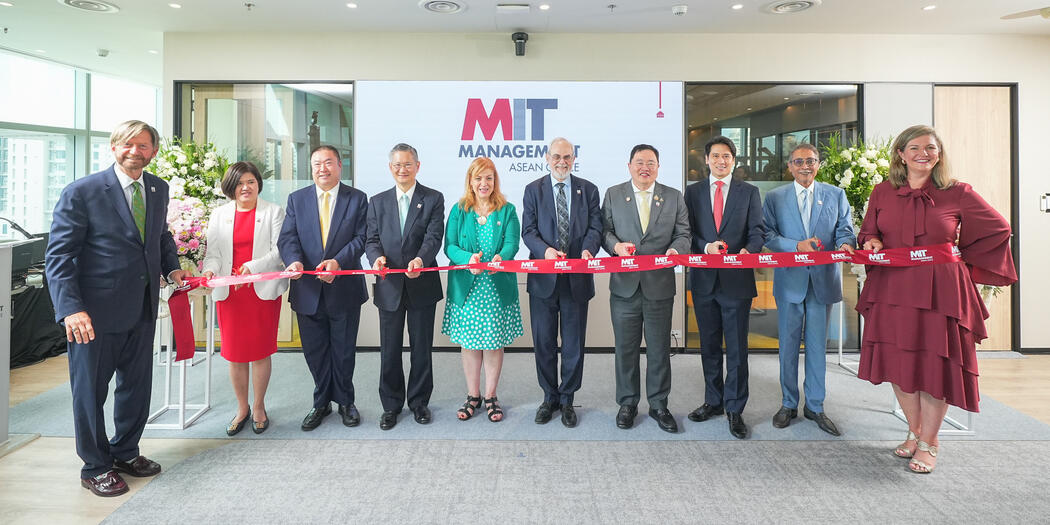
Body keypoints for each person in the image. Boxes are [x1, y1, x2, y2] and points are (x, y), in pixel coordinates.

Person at [857, 125, 1016, 473]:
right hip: (893, 288)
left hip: (940, 292)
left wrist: (962, 257)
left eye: (930, 147)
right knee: (899, 364)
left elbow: (999, 227)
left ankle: (930, 441)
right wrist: (872, 242)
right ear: (901, 154)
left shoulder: (957, 191)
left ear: (939, 154)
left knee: (934, 365)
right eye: (914, 148)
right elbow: (869, 230)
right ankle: (914, 432)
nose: (922, 153)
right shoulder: (882, 191)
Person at [45, 120, 189, 497]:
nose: (135, 151)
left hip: (142, 309)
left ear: (153, 151)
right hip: (92, 315)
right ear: (113, 147)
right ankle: (95, 465)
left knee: (136, 387)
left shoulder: (158, 188)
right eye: (128, 144)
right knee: (90, 392)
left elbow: (159, 235)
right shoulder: (83, 191)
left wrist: (172, 266)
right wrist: (70, 309)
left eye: (143, 146)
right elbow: (59, 256)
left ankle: (125, 451)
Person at [762, 144, 856, 436]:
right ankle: (788, 403)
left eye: (811, 161)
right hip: (790, 281)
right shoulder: (775, 197)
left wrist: (845, 244)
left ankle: (815, 406)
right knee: (787, 347)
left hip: (821, 282)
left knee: (817, 348)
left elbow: (845, 228)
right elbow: (767, 234)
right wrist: (795, 247)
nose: (805, 166)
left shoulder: (835, 195)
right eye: (799, 161)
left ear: (819, 164)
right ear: (789, 166)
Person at [277, 145, 368, 431]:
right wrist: (293, 261)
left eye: (328, 162)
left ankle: (345, 402)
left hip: (344, 288)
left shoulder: (357, 198)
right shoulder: (297, 199)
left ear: (340, 166)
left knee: (343, 351)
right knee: (315, 351)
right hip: (307, 289)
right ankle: (321, 402)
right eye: (317, 163)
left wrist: (339, 262)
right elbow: (288, 238)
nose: (322, 169)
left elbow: (362, 238)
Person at [601, 144, 690, 433]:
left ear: (658, 167)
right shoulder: (614, 194)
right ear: (629, 166)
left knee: (659, 349)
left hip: (659, 286)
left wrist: (677, 250)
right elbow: (604, 231)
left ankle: (659, 404)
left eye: (651, 163)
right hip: (624, 288)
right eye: (639, 162)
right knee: (625, 349)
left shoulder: (673, 197)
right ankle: (627, 403)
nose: (645, 168)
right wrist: (614, 246)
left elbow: (683, 233)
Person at [684, 135, 764, 440]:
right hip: (705, 281)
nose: (721, 161)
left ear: (734, 160)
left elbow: (757, 231)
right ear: (706, 160)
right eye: (715, 156)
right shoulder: (692, 193)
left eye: (726, 156)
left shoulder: (749, 192)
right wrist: (705, 247)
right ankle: (713, 401)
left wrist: (750, 251)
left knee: (737, 349)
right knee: (709, 346)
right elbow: (686, 232)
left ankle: (735, 408)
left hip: (736, 281)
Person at [521, 137, 602, 428]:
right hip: (544, 279)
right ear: (547, 157)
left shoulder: (588, 189)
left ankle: (568, 399)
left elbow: (596, 226)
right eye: (556, 156)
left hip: (577, 279)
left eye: (567, 157)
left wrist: (588, 249)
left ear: (574, 158)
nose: (562, 162)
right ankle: (549, 397)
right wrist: (546, 252)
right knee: (543, 342)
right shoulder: (533, 190)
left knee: (573, 345)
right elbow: (528, 231)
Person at [201, 161, 288, 436]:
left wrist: (253, 266)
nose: (246, 187)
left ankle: (260, 406)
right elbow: (212, 252)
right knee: (235, 354)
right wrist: (210, 270)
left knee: (260, 351)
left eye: (250, 181)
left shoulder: (273, 212)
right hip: (230, 294)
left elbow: (279, 252)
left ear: (258, 184)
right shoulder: (219, 214)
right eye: (239, 183)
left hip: (260, 291)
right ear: (231, 187)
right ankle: (242, 408)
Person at [365, 143, 444, 430]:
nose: (402, 169)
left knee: (421, 347)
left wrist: (422, 259)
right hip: (389, 285)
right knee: (389, 348)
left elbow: (434, 237)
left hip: (422, 282)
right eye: (397, 165)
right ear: (390, 168)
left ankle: (420, 402)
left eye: (408, 164)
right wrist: (376, 259)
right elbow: (371, 239)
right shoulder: (377, 201)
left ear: (417, 166)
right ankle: (391, 405)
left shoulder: (433, 198)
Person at [442, 157, 523, 423]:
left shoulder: (508, 210)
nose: (483, 183)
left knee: (493, 344)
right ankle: (472, 395)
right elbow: (450, 246)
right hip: (468, 289)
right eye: (478, 178)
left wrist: (501, 258)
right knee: (470, 344)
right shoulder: (459, 210)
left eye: (488, 178)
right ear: (471, 181)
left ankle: (490, 396)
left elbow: (512, 243)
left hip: (496, 288)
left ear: (495, 180)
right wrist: (468, 260)